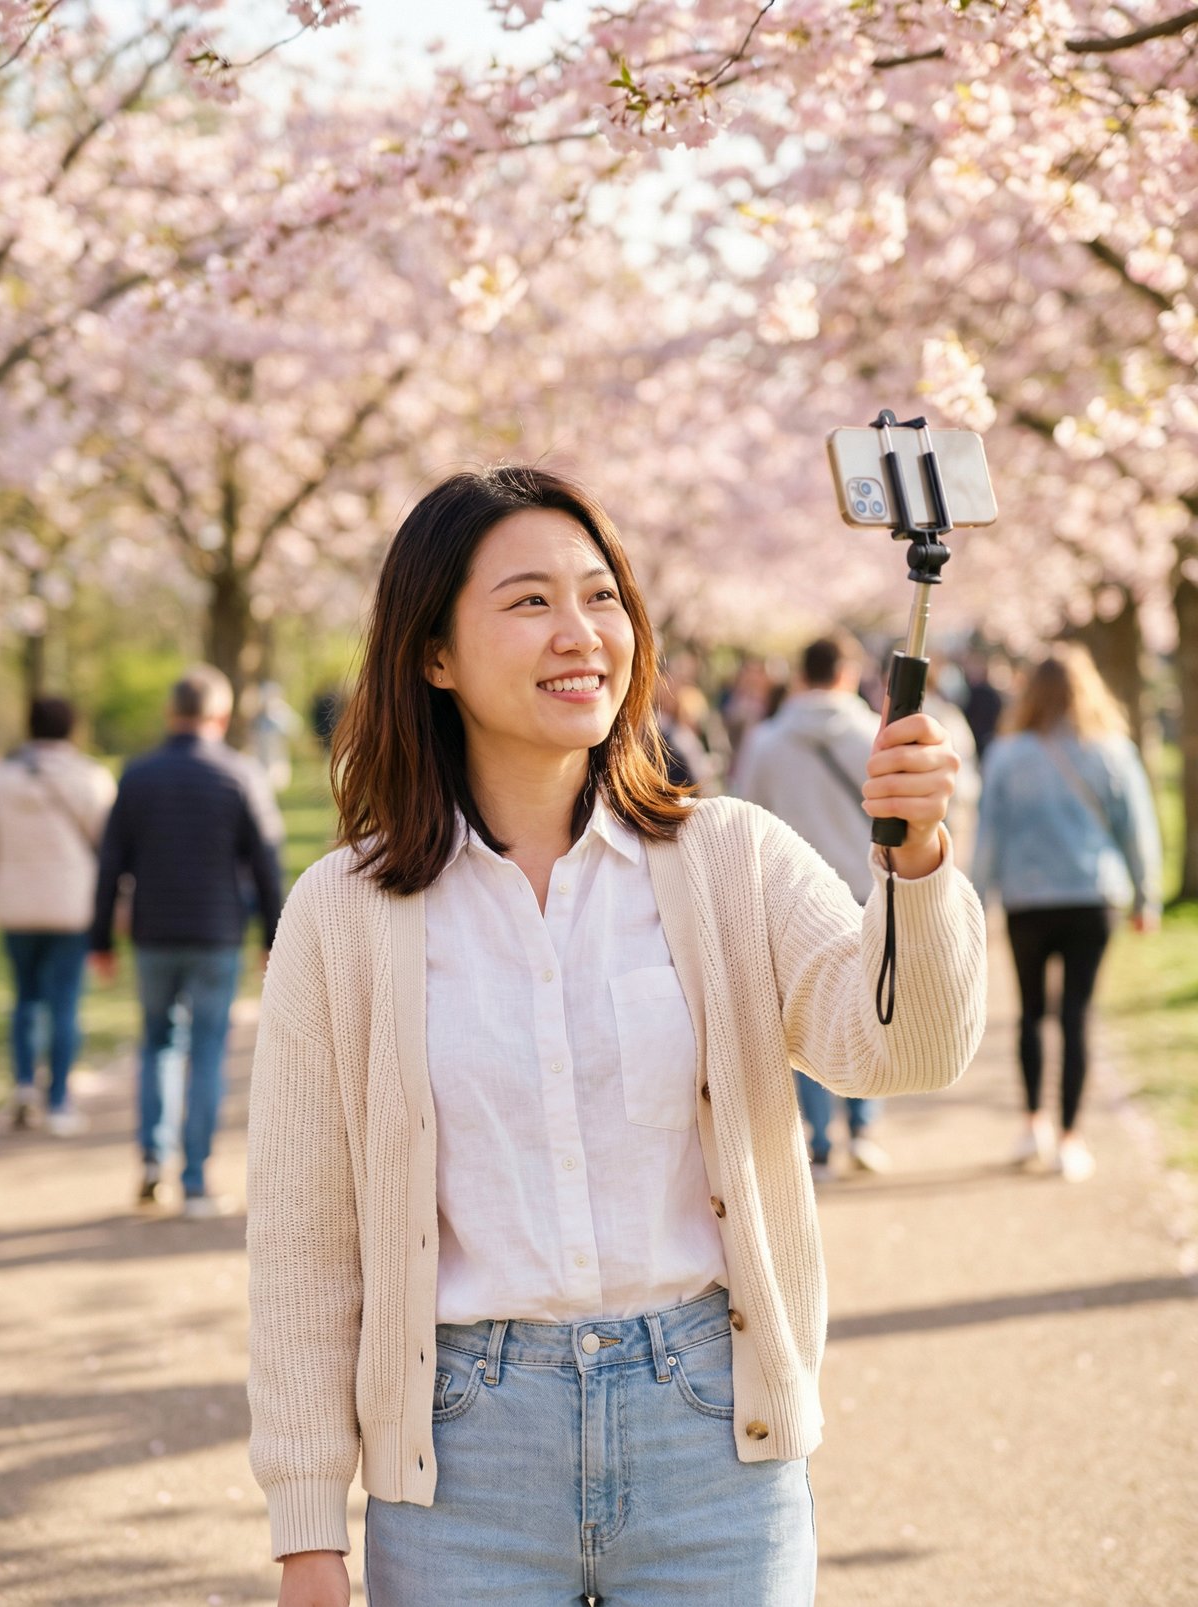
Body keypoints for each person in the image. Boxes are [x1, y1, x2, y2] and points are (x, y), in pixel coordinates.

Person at [246, 466, 986, 1607]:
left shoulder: (731, 858)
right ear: (433, 651)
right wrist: (307, 1527)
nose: (581, 631)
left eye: (602, 596)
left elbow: (905, 1050)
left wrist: (920, 863)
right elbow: (304, 1237)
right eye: (530, 600)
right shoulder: (342, 913)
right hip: (460, 1461)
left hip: (711, 1432)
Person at [91, 666, 283, 1216]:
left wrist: (100, 938)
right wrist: (273, 934)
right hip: (216, 933)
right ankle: (196, 1179)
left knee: (156, 1044)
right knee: (207, 1051)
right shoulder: (240, 774)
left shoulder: (137, 776)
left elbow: (110, 863)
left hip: (153, 934)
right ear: (219, 717)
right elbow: (267, 860)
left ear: (171, 715)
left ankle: (153, 1161)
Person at [971, 644, 1161, 1183]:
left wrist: (976, 904)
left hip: (1028, 900)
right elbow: (1138, 830)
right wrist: (1146, 897)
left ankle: (1034, 1122)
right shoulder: (1111, 750)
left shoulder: (1007, 755)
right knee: (1077, 1015)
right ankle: (1071, 1138)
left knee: (1031, 1013)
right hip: (1092, 897)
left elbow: (988, 837)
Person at [736, 634, 893, 1181]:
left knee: (805, 1012)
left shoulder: (767, 742)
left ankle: (821, 1137)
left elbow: (744, 814)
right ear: (846, 674)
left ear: (802, 675)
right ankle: (866, 1125)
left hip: (792, 897)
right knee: (874, 1005)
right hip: (864, 885)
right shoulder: (872, 735)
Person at [0, 697, 116, 1135]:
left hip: (15, 904)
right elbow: (109, 846)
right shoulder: (90, 779)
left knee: (26, 998)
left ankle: (25, 1085)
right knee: (64, 1003)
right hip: (71, 905)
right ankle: (59, 1100)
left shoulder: (4, 778)